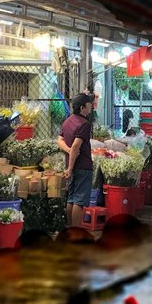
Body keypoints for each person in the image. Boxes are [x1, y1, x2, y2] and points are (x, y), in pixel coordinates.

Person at [60, 93, 95, 228]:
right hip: (83, 166)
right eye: (89, 104)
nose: (91, 106)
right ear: (82, 107)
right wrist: (70, 166)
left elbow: (60, 140)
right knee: (79, 201)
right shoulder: (84, 124)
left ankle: (69, 228)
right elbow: (76, 145)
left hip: (72, 164)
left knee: (71, 199)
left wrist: (69, 154)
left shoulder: (68, 121)